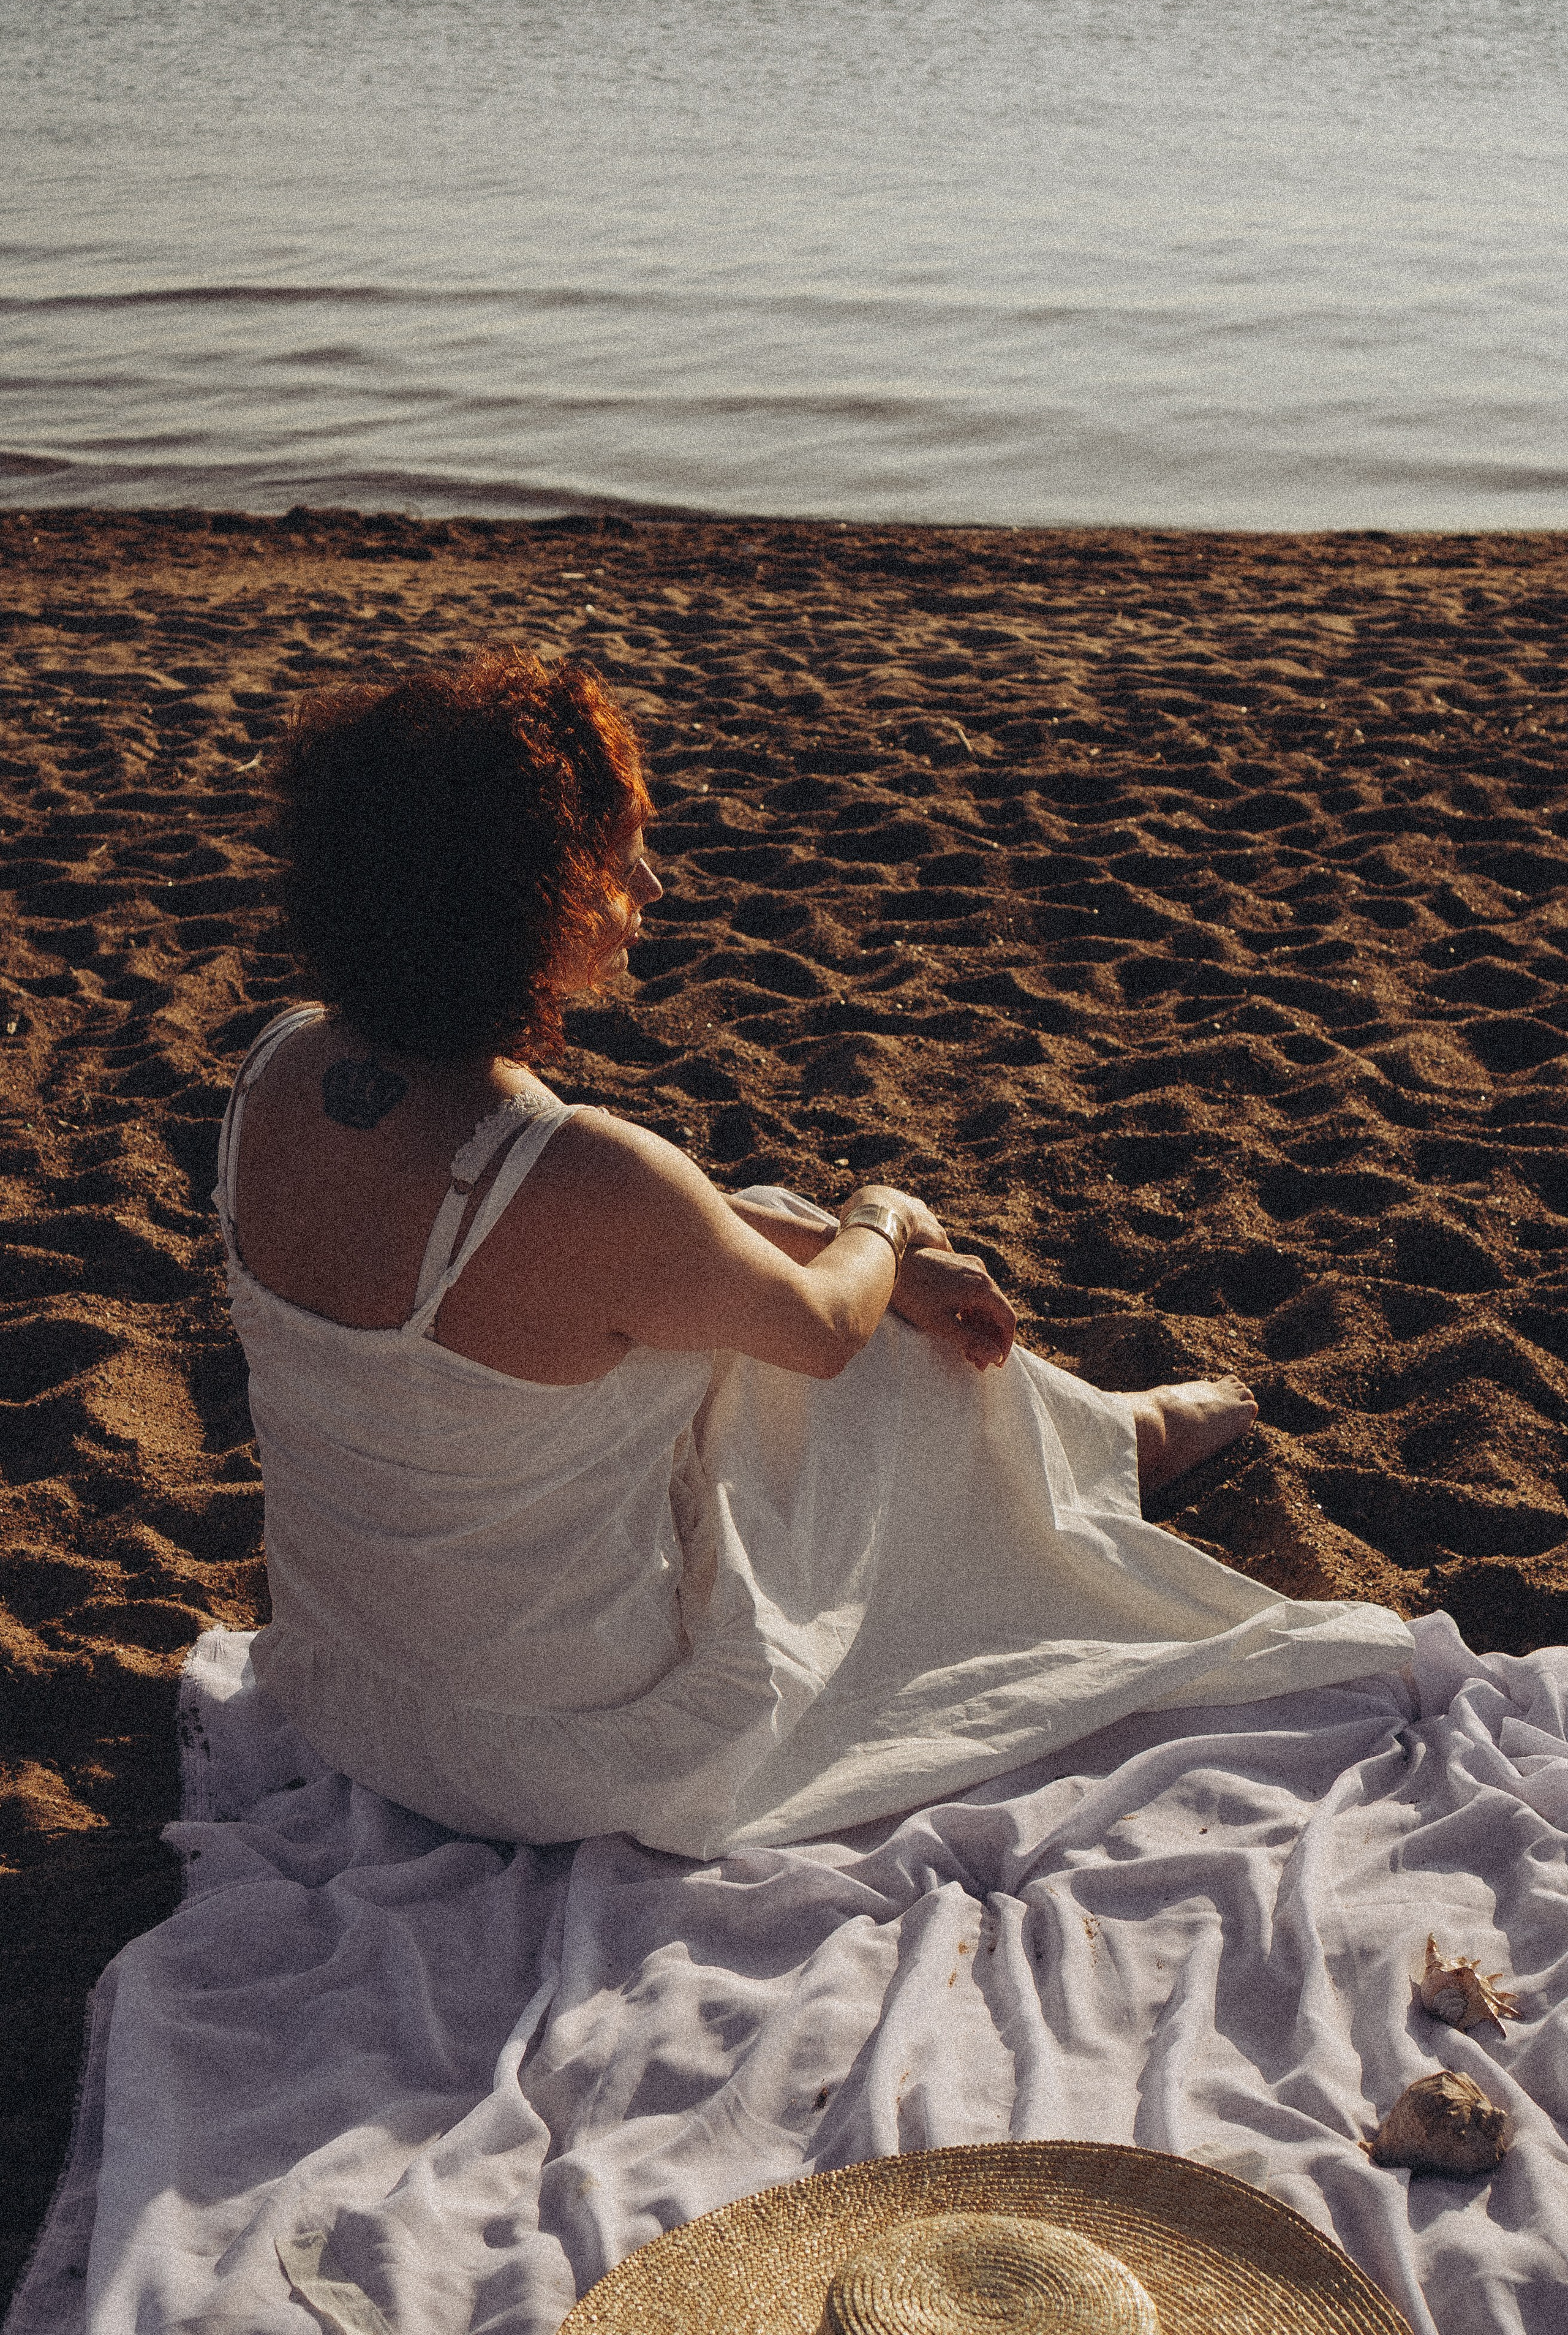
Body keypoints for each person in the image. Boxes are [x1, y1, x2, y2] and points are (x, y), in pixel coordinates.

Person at [214, 649, 1410, 1859]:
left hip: (353, 1697)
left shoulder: (281, 1066)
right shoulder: (582, 1174)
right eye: (616, 858)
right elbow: (823, 1330)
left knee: (771, 1237)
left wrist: (867, 1259)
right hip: (566, 1754)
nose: (652, 883)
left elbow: (651, 1238)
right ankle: (1100, 1453)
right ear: (517, 895)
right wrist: (884, 1217)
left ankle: (1090, 1437)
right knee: (844, 1332)